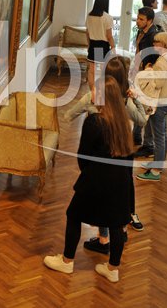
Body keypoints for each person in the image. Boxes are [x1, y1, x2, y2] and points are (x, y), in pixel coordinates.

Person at [43, 76, 134, 283]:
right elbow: (129, 157)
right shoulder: (124, 123)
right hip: (121, 182)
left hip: (96, 180)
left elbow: (83, 156)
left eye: (94, 90)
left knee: (73, 215)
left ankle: (67, 261)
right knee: (116, 224)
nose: (91, 92)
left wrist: (88, 175)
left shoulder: (94, 122)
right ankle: (113, 268)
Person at [136, 32, 167, 182]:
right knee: (162, 135)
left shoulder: (162, 60)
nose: (154, 44)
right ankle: (158, 163)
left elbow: (158, 83)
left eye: (157, 42)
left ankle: (155, 171)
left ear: (164, 44)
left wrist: (149, 71)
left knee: (159, 136)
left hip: (160, 101)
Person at [131, 6, 159, 149]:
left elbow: (156, 56)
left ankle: (147, 142)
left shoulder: (154, 35)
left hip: (149, 75)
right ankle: (136, 135)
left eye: (141, 19)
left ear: (150, 21)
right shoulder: (141, 31)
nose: (138, 21)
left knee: (145, 105)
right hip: (140, 71)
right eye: (138, 18)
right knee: (138, 102)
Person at [85, 0, 115, 88]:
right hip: (102, 46)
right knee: (102, 72)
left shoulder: (89, 15)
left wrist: (89, 45)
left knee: (91, 71)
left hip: (93, 44)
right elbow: (109, 36)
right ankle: (100, 93)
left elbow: (87, 33)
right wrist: (113, 47)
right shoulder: (107, 17)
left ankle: (92, 92)